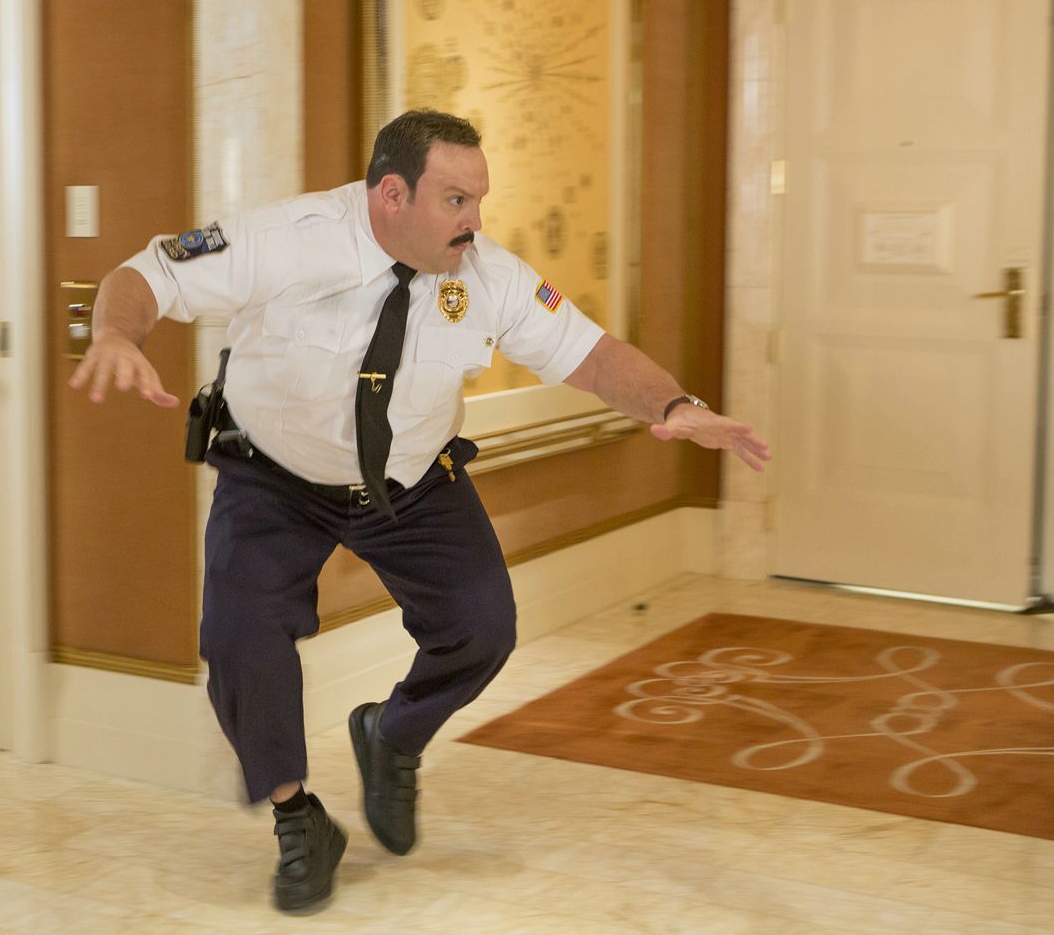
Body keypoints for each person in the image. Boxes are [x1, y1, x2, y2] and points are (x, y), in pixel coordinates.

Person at [68, 109, 771, 912]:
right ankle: (299, 822)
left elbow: (594, 355)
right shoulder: (289, 238)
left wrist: (674, 405)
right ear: (392, 194)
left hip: (411, 479)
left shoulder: (489, 276)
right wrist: (116, 335)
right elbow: (147, 275)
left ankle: (392, 734)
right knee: (240, 637)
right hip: (275, 478)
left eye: (479, 199)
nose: (475, 220)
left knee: (482, 625)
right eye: (456, 200)